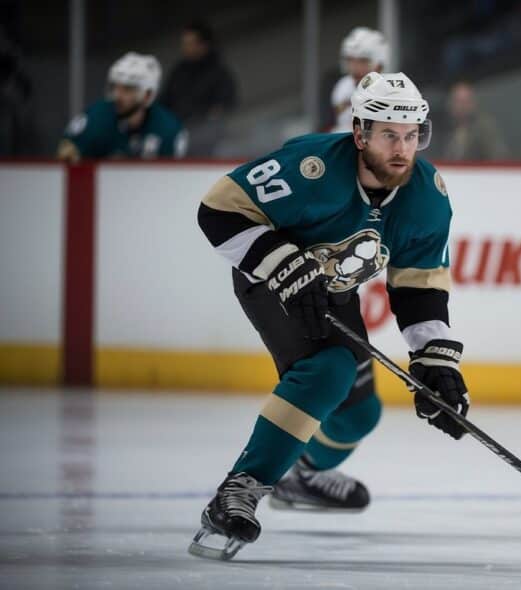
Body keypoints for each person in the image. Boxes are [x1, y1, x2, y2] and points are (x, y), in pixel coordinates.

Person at [190, 72, 470, 560]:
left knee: (359, 412)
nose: (402, 149)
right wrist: (282, 263)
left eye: (410, 136)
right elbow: (218, 211)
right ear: (360, 134)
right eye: (388, 134)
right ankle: (240, 490)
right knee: (329, 370)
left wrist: (434, 359)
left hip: (333, 288)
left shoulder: (427, 194)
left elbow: (419, 283)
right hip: (270, 277)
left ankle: (305, 476)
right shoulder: (311, 165)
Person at [57, 52, 187, 162]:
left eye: (128, 89)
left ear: (148, 95)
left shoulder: (168, 129)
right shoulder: (95, 118)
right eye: (115, 87)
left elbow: (169, 182)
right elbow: (66, 155)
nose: (117, 95)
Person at [159, 20, 238, 156]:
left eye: (190, 43)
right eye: (184, 43)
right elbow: (164, 101)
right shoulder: (179, 71)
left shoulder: (219, 74)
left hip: (203, 140)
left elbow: (224, 109)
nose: (184, 48)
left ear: (203, 45)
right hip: (173, 134)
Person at [330, 27, 388, 133]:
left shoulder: (390, 89)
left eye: (363, 61)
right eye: (350, 60)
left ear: (379, 64)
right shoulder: (343, 86)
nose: (355, 67)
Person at [441, 80, 507, 161]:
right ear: (450, 104)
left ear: (474, 103)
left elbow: (498, 157)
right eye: (458, 101)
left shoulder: (485, 128)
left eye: (466, 101)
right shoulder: (442, 128)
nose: (462, 106)